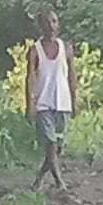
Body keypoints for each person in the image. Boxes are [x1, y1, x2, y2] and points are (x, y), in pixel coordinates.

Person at [26, 10, 77, 191]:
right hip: (43, 104)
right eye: (47, 22)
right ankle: (59, 183)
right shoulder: (34, 50)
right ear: (40, 26)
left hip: (62, 103)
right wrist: (30, 104)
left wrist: (74, 99)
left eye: (54, 21)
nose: (51, 26)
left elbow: (72, 75)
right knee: (51, 144)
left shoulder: (67, 48)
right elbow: (30, 78)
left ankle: (39, 179)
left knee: (57, 149)